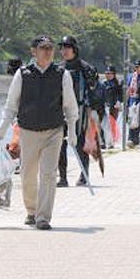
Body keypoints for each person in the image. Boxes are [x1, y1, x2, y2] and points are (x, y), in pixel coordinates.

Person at [0, 35, 79, 230]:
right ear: (34, 51)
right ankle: (31, 210)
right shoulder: (23, 74)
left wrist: (72, 131)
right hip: (28, 130)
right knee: (28, 174)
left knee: (48, 174)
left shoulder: (62, 74)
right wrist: (3, 126)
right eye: (43, 48)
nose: (47, 52)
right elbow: (11, 105)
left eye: (50, 48)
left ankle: (43, 217)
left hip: (53, 131)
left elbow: (71, 107)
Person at [55, 36, 99, 187]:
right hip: (60, 111)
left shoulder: (85, 68)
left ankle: (84, 174)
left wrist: (93, 111)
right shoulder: (58, 68)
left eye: (67, 47)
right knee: (60, 144)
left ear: (74, 49)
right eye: (62, 48)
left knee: (79, 143)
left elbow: (94, 89)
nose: (64, 51)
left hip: (80, 110)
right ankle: (62, 177)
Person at [126, 60, 140, 147]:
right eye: (136, 67)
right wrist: (126, 102)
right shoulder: (131, 77)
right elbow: (128, 89)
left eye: (139, 67)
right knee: (132, 121)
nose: (137, 69)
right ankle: (131, 139)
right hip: (132, 101)